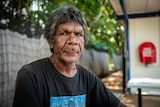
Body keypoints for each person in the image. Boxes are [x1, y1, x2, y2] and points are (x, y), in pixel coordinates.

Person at [13, 4, 126, 107]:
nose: (73, 41)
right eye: (64, 33)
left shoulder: (87, 78)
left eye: (78, 34)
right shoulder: (31, 77)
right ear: (51, 41)